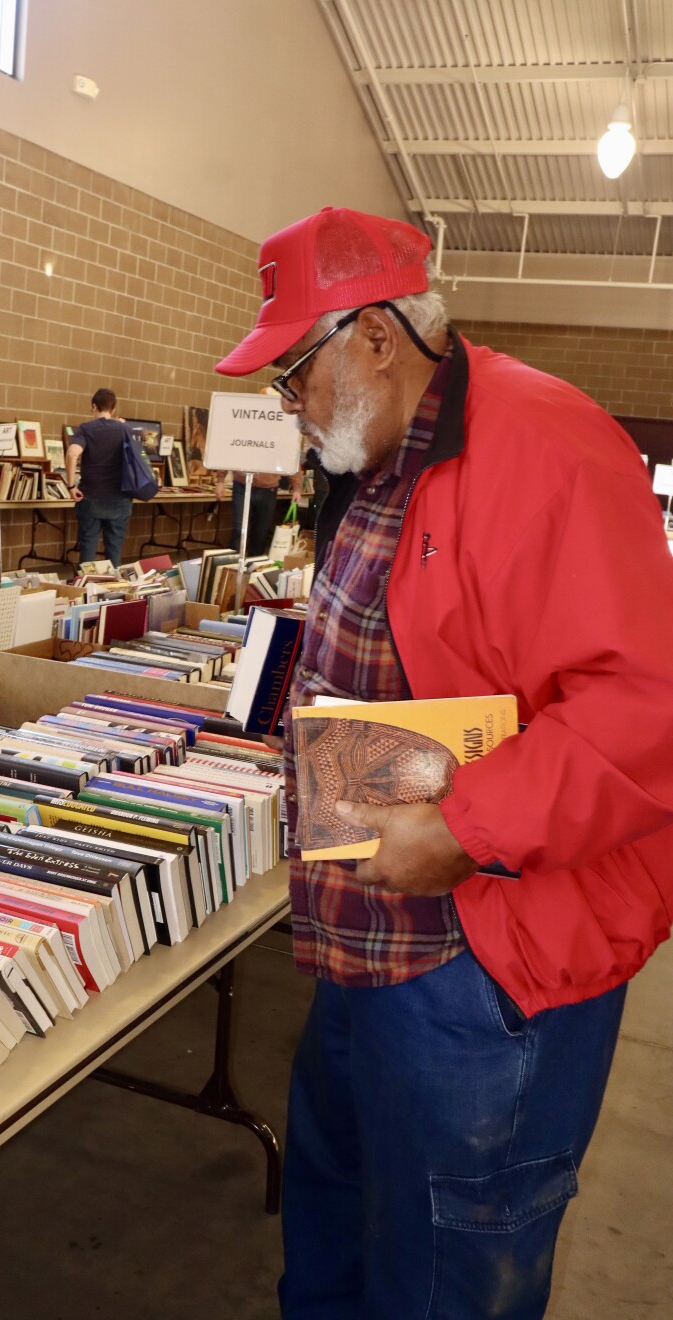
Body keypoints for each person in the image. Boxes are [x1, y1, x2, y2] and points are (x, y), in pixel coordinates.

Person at [215, 206, 673, 1320]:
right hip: (365, 942)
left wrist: (470, 830)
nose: (288, 405)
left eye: (293, 371)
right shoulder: (377, 449)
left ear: (374, 335)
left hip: (484, 960)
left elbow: (642, 702)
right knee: (334, 1226)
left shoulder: (546, 447)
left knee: (450, 1271)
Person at [65, 388, 134, 567]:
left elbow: (73, 454)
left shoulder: (86, 429)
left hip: (90, 499)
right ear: (113, 409)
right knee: (114, 550)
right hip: (120, 499)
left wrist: (71, 486)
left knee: (87, 548)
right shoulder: (125, 429)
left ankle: (84, 590)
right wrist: (122, 425)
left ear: (93, 407)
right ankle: (114, 590)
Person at [214, 467, 303, 557]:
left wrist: (297, 489)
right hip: (242, 486)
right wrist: (220, 482)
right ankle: (233, 564)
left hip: (268, 489)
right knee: (239, 529)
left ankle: (254, 564)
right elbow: (228, 456)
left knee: (261, 532)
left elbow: (291, 461)